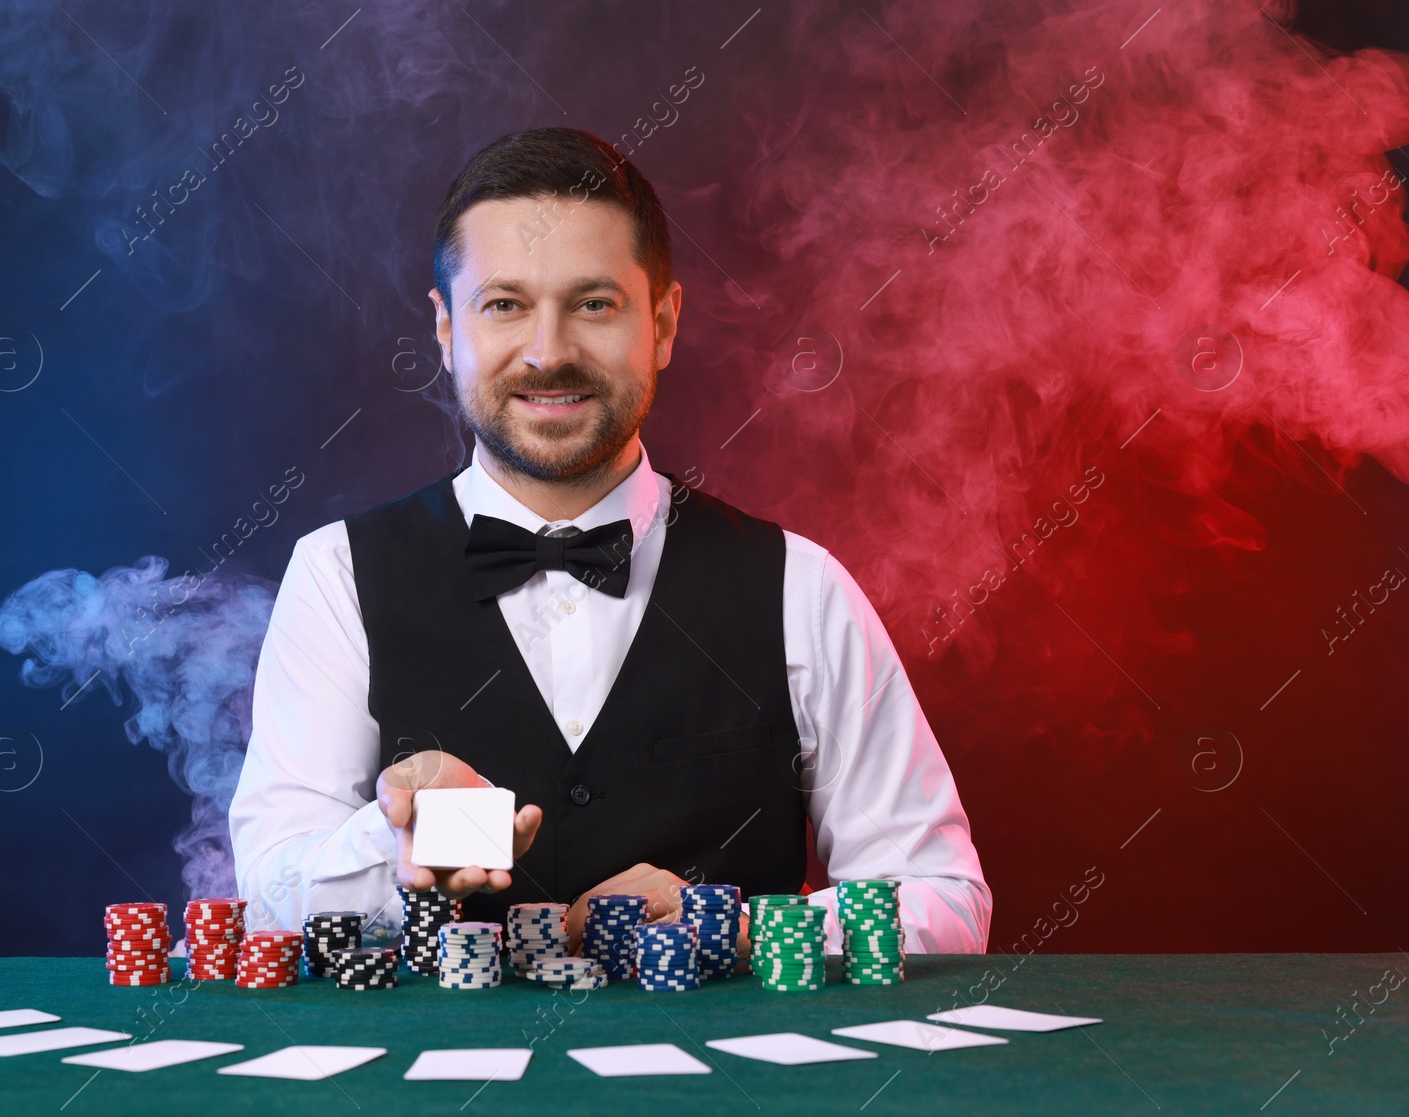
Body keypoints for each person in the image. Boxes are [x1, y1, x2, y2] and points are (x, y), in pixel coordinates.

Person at [228, 126, 991, 955]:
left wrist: (729, 929)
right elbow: (271, 900)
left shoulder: (799, 586)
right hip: (432, 1086)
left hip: (733, 1087)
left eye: (594, 304)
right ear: (447, 331)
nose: (548, 352)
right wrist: (395, 839)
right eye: (505, 304)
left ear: (662, 324)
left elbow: (945, 903)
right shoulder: (338, 573)